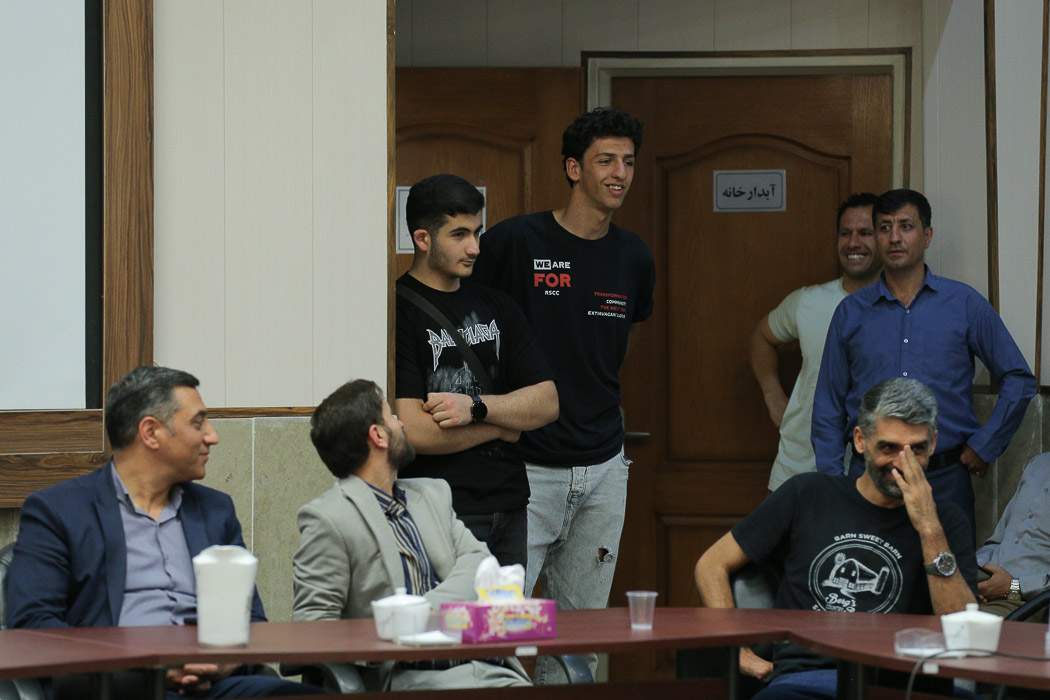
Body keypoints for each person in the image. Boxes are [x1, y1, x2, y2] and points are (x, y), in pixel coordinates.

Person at [472, 106, 655, 684]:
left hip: (602, 469)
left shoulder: (634, 256)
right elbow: (467, 330)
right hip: (523, 469)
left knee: (578, 643)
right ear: (574, 168)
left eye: (628, 162)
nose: (619, 173)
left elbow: (621, 342)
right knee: (497, 632)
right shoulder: (514, 241)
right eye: (606, 160)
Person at [5, 366, 320, 699]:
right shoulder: (58, 510)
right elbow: (33, 626)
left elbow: (250, 618)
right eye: (198, 423)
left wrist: (221, 664)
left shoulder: (216, 511)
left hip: (215, 684)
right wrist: (151, 669)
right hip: (115, 687)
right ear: (151, 432)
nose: (212, 436)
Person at [695, 378, 977, 699]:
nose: (902, 463)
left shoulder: (946, 520)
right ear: (860, 440)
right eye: (888, 448)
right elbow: (712, 564)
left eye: (917, 449)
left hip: (900, 682)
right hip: (809, 678)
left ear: (934, 444)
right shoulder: (807, 494)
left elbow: (961, 632)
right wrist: (736, 650)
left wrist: (929, 528)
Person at [812, 188, 1036, 540]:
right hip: (869, 479)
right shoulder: (851, 313)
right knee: (869, 570)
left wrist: (986, 444)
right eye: (884, 228)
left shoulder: (963, 303)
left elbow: (1019, 379)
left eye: (906, 226)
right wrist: (832, 482)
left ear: (927, 236)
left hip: (944, 479)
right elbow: (828, 404)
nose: (894, 237)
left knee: (949, 571)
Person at [292, 379, 530, 691]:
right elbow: (312, 627)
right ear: (378, 435)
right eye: (392, 417)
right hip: (411, 678)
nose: (401, 424)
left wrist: (421, 612)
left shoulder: (432, 495)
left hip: (488, 666)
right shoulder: (329, 518)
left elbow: (481, 565)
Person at [395, 174, 558, 568]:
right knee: (451, 611)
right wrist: (503, 426)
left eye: (477, 233)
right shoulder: (398, 311)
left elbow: (547, 402)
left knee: (506, 611)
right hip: (439, 512)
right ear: (423, 239)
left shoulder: (497, 304)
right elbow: (414, 431)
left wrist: (477, 408)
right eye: (459, 234)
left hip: (511, 504)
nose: (475, 248)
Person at [750, 193, 881, 491]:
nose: (853, 243)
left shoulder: (900, 308)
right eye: (845, 233)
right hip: (797, 470)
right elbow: (761, 337)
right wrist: (773, 396)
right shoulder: (808, 301)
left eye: (865, 233)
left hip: (871, 476)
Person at [976, 452, 1050, 618]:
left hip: (1026, 601)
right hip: (986, 581)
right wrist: (975, 569)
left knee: (952, 625)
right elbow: (997, 540)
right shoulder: (1039, 463)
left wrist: (1013, 587)